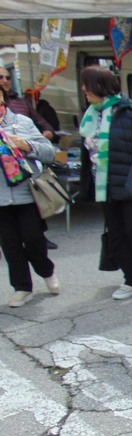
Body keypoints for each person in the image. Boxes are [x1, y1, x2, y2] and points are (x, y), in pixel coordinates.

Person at [77, 65, 132, 301]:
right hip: (104, 186)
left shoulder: (130, 113)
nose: (84, 91)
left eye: (87, 86)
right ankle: (131, 280)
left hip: (131, 186)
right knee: (116, 234)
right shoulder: (91, 114)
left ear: (99, 86)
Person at [0, 88, 59, 307]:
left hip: (28, 193)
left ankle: (46, 270)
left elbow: (49, 152)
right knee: (10, 245)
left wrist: (28, 145)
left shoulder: (22, 122)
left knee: (34, 239)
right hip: (1, 199)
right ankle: (22, 287)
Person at [0, 67, 56, 141]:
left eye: (8, 78)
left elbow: (40, 120)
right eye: (0, 77)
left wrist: (49, 131)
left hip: (27, 143)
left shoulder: (22, 102)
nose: (5, 81)